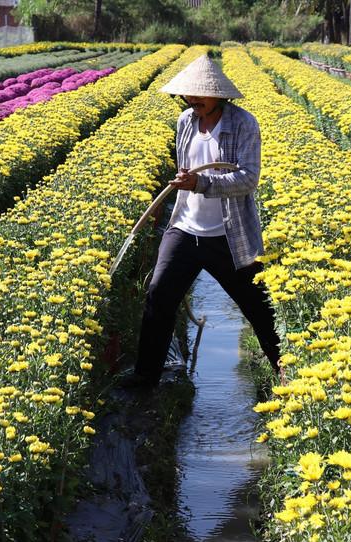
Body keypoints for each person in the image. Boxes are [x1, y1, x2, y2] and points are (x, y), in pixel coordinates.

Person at [121, 55, 281, 390]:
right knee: (159, 296)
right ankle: (145, 377)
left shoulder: (243, 124)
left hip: (228, 234)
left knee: (258, 308)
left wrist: (203, 184)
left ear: (220, 96)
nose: (194, 102)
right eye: (189, 96)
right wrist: (187, 182)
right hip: (185, 228)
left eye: (201, 96)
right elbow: (188, 169)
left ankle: (287, 373)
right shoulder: (185, 121)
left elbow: (248, 179)